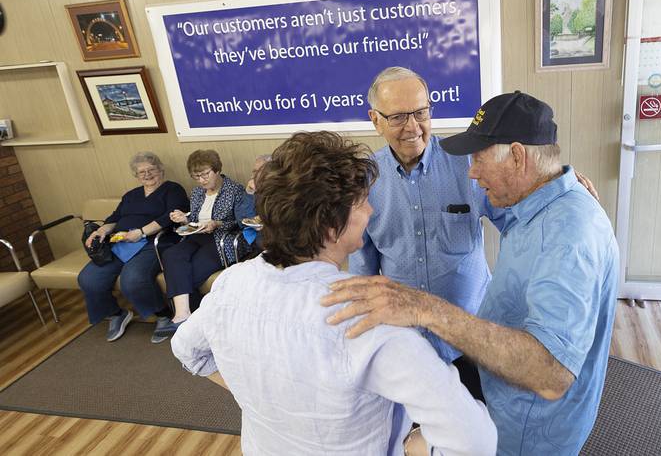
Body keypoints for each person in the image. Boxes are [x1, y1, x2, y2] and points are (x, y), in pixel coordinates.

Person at [323, 92, 619, 455]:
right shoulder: (538, 202)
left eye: (479, 158)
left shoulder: (567, 235)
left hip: (525, 432)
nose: (472, 171)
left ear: (517, 156)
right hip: (494, 389)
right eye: (398, 117)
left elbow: (550, 373)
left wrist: (425, 309)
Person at [171, 132, 497, 455]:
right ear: (332, 227)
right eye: (362, 202)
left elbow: (186, 350)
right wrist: (417, 445)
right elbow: (477, 441)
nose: (371, 210)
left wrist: (261, 401)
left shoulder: (231, 284)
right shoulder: (370, 322)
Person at [349, 66, 598, 400]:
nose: (412, 127)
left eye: (421, 113)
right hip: (402, 342)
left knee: (480, 430)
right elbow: (363, 269)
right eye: (397, 118)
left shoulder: (470, 165)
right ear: (375, 120)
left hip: (471, 337)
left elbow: (522, 221)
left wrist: (561, 194)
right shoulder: (363, 180)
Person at [78, 151, 189, 343]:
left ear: (161, 170)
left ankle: (162, 315)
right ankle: (115, 314)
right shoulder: (131, 195)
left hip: (153, 241)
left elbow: (169, 217)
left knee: (133, 279)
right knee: (88, 278)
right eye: (141, 172)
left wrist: (141, 232)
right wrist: (101, 231)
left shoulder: (173, 189)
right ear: (136, 175)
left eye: (151, 170)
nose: (147, 175)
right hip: (121, 242)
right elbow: (114, 218)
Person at [156, 149, 246, 340]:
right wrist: (183, 219)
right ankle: (185, 317)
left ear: (217, 170)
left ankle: (189, 320)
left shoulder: (235, 190)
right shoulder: (197, 192)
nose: (202, 180)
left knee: (191, 271)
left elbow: (240, 221)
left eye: (205, 174)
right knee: (172, 254)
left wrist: (217, 223)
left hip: (223, 239)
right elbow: (194, 219)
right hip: (196, 235)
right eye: (197, 176)